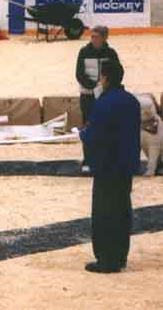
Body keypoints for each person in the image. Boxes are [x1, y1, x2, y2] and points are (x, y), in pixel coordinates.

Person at [80, 60, 140, 274]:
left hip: (107, 166)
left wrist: (82, 133)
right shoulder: (132, 101)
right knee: (122, 210)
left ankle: (106, 259)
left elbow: (94, 135)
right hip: (126, 166)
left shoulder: (104, 103)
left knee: (105, 212)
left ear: (105, 78)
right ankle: (120, 256)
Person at [76, 25, 124, 174]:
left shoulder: (111, 53)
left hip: (106, 95)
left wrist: (108, 87)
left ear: (104, 38)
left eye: (96, 37)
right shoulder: (84, 52)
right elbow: (79, 74)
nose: (93, 39)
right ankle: (88, 160)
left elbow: (119, 72)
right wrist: (94, 86)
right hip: (88, 96)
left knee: (108, 127)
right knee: (88, 127)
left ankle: (106, 159)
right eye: (92, 36)